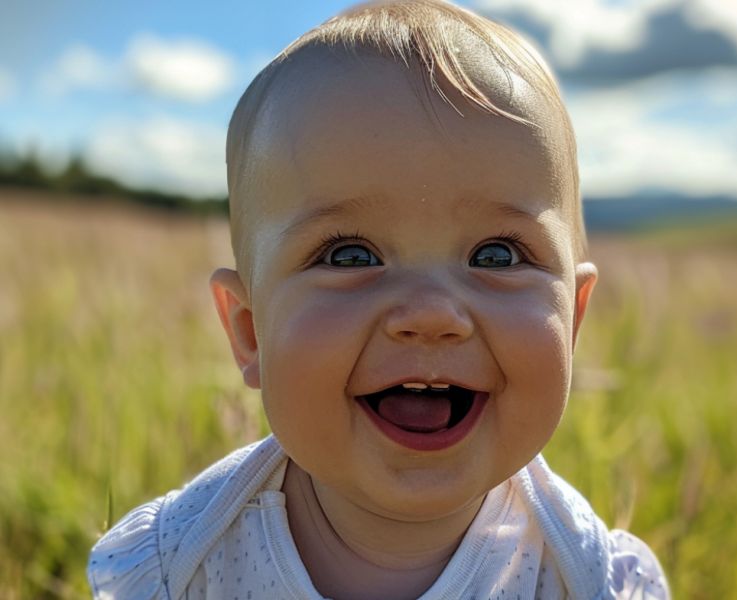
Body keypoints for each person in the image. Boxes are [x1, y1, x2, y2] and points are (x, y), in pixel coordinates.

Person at [87, 1, 669, 598]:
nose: (431, 315)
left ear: (571, 318)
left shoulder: (582, 574)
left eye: (496, 255)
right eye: (350, 256)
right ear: (250, 331)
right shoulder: (185, 561)